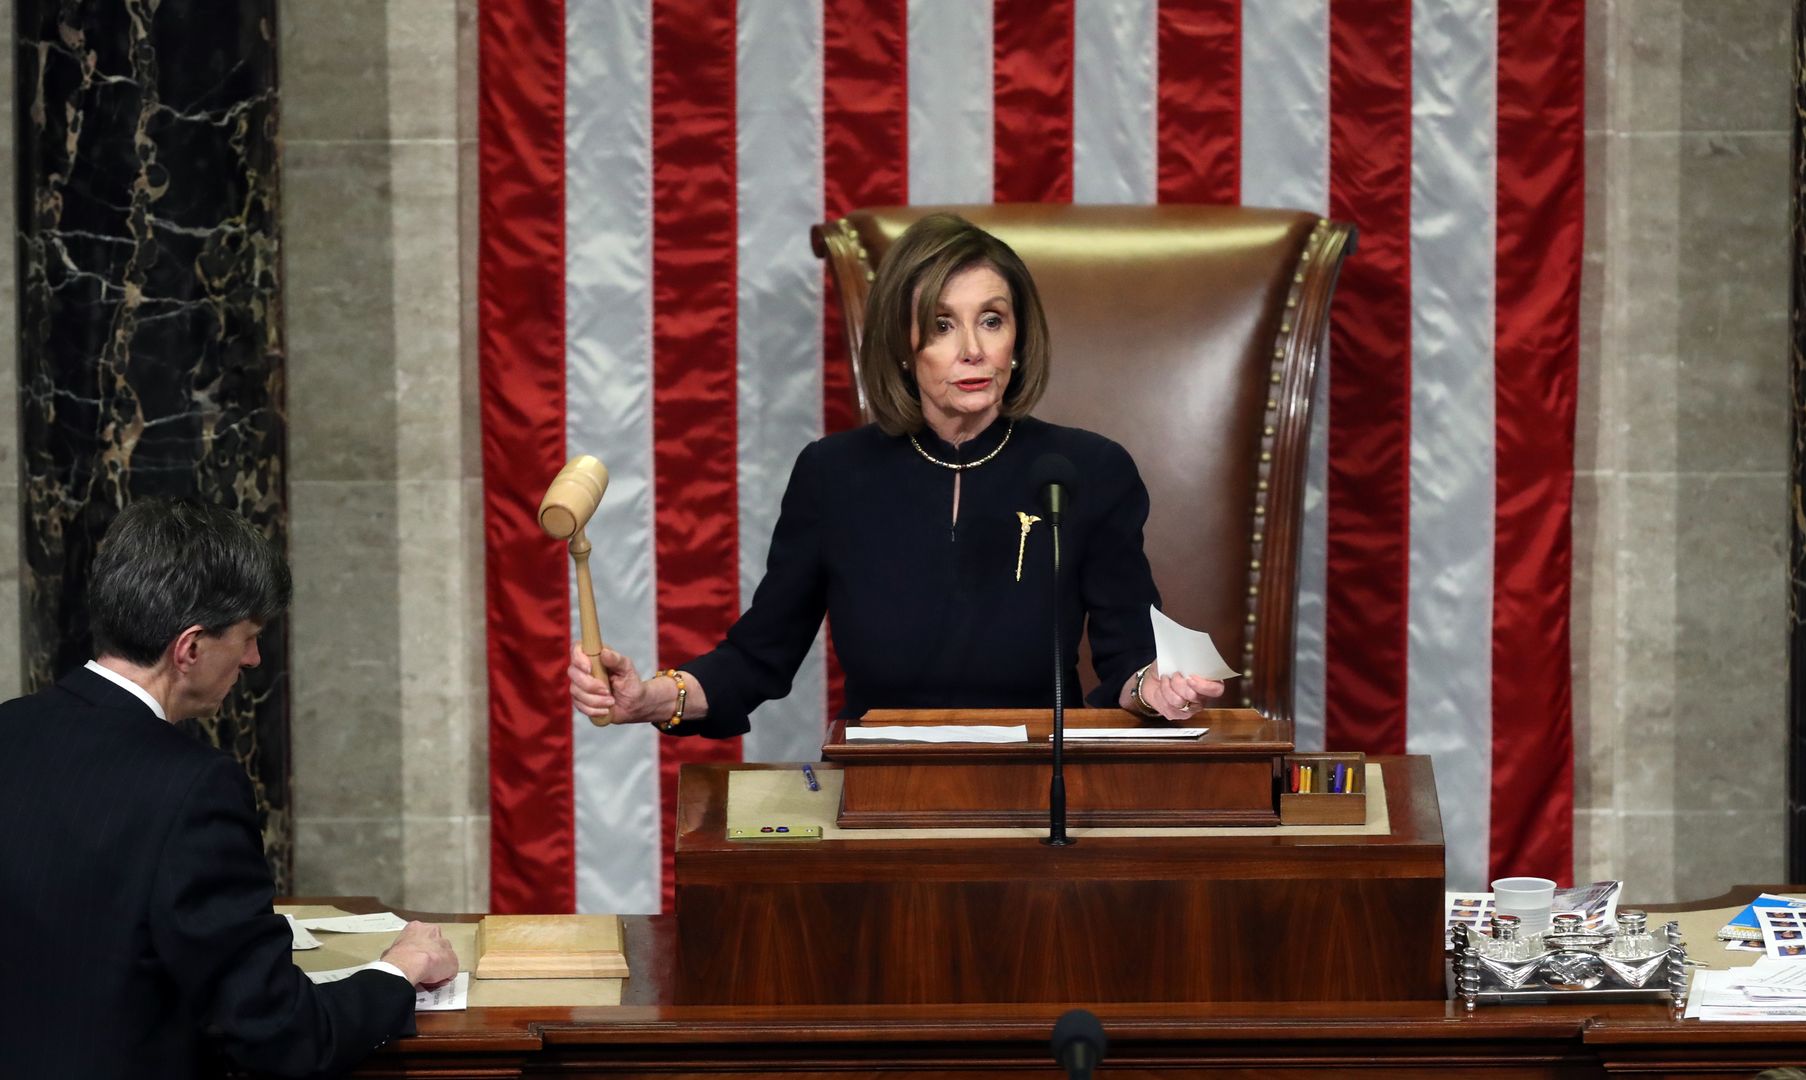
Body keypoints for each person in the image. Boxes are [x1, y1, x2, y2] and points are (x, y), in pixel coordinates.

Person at [572, 213, 1225, 734]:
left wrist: (1157, 687)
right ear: (903, 350)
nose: (972, 349)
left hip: (1038, 791)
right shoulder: (834, 475)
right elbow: (758, 657)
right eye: (942, 325)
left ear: (1018, 342)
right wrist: (652, 697)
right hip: (880, 796)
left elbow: (1128, 661)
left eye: (991, 321)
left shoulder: (1088, 471)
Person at [0, 497, 458, 1080]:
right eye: (247, 637)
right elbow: (278, 1037)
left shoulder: (6, 728)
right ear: (189, 648)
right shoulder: (194, 787)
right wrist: (400, 970)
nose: (253, 659)